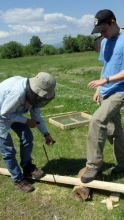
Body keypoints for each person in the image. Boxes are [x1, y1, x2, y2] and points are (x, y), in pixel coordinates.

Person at [81, 9, 124, 183]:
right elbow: (105, 66)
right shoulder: (105, 42)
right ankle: (122, 164)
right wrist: (99, 89)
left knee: (97, 121)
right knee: (114, 131)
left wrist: (105, 81)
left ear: (113, 22)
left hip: (120, 90)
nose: (102, 34)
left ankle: (93, 166)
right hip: (105, 90)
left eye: (104, 30)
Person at [0, 72, 56, 192]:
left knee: (27, 137)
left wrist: (46, 134)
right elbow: (4, 114)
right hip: (2, 114)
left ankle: (27, 167)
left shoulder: (35, 95)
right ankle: (17, 179)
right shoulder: (18, 93)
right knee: (8, 150)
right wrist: (26, 121)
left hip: (12, 112)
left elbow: (36, 116)